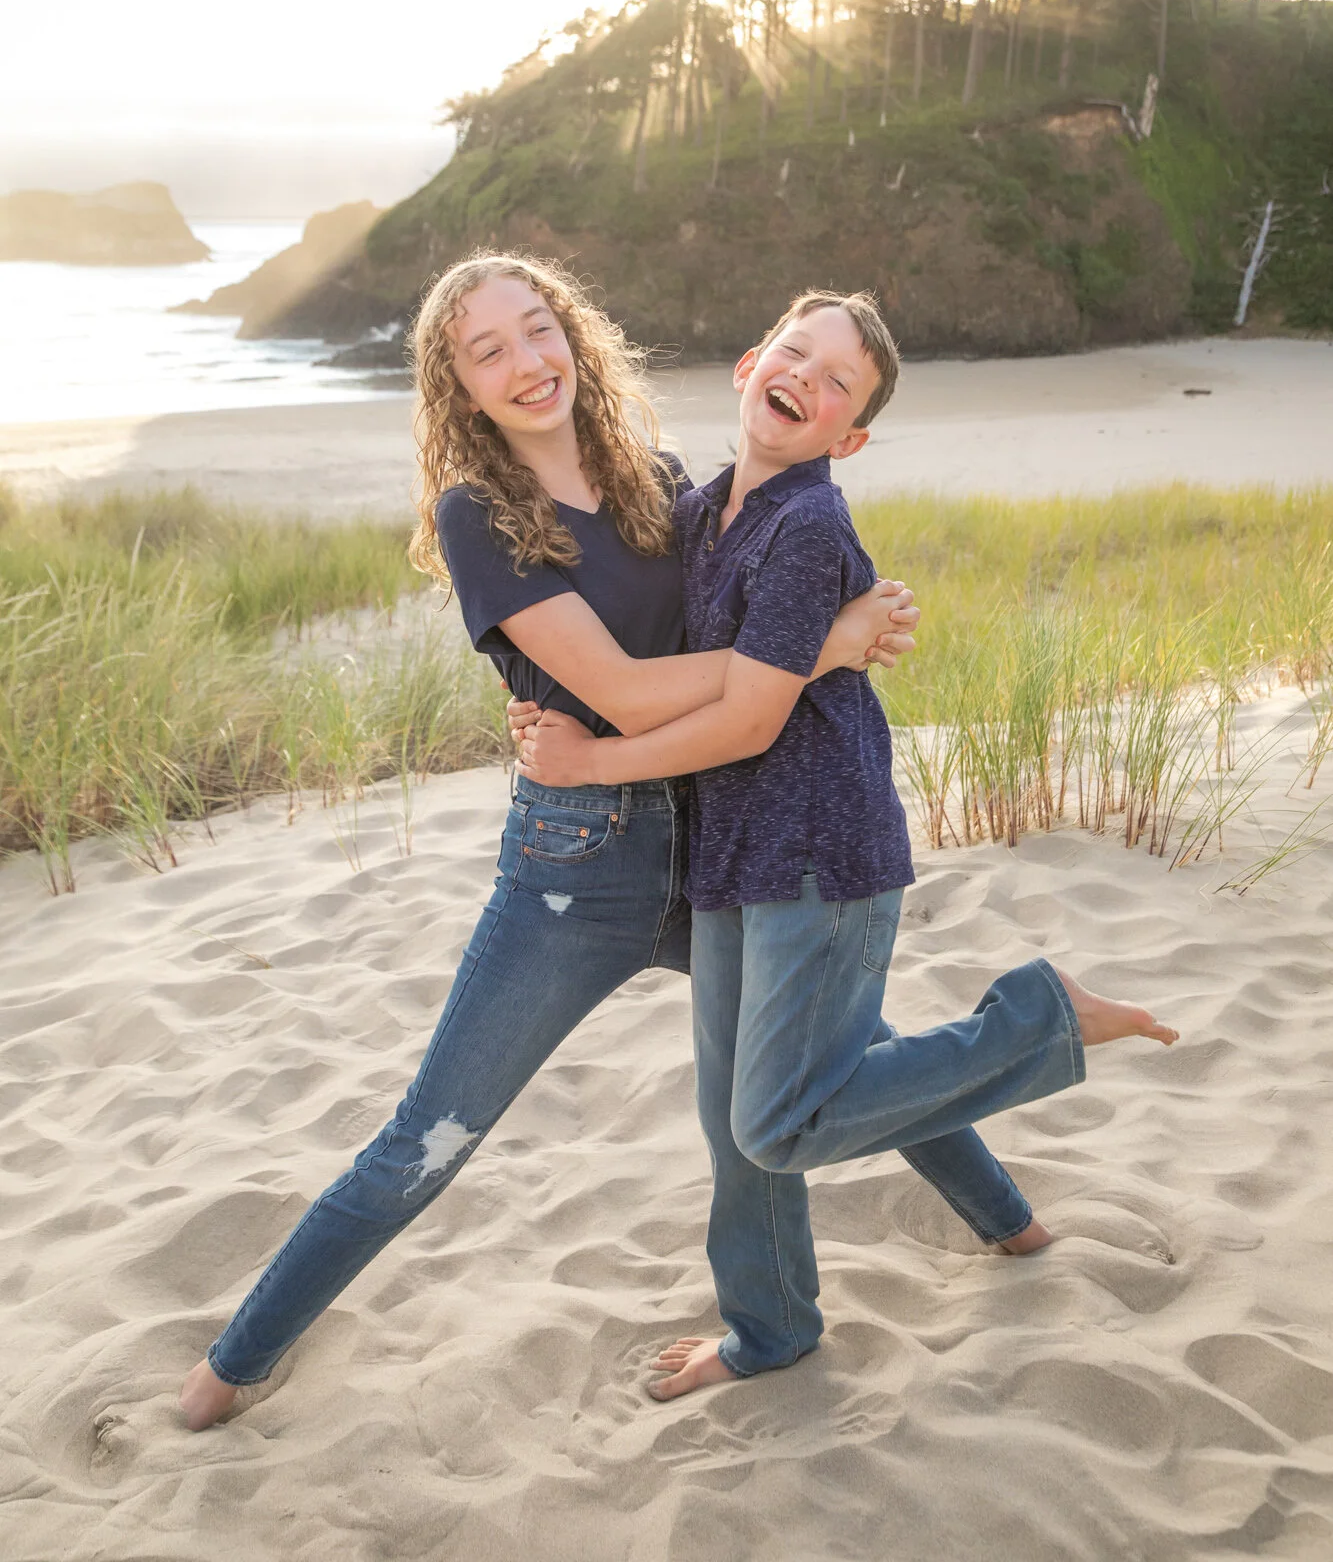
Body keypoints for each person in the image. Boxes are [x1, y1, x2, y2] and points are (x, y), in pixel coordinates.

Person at [178, 252, 919, 1430]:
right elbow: (625, 692)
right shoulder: (476, 517)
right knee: (432, 1133)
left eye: (538, 330)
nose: (526, 363)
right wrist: (819, 648)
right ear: (459, 386)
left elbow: (752, 599)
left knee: (841, 1045)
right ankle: (227, 1368)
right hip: (574, 868)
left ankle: (1009, 1222)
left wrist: (835, 625)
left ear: (573, 332)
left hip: (710, 831)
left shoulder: (655, 478)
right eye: (489, 351)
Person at [515, 288, 1180, 1398]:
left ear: (849, 435)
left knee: (779, 1120)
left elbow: (747, 716)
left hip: (819, 851)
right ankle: (773, 1324)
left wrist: (587, 764)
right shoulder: (701, 507)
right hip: (733, 847)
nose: (806, 382)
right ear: (747, 362)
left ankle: (1039, 1016)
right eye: (795, 354)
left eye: (836, 385)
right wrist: (543, 699)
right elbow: (642, 638)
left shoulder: (809, 526)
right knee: (737, 1120)